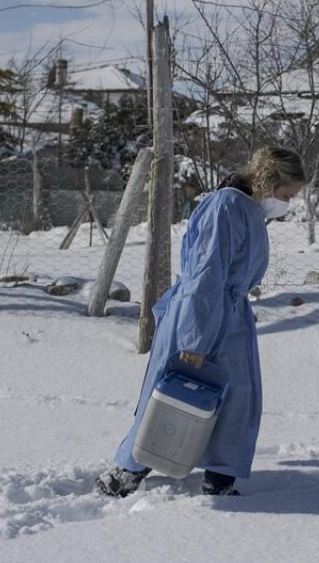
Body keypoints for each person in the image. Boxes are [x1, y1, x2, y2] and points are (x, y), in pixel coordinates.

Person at [97, 147, 306, 497]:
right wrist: (194, 340)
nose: (286, 204)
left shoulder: (249, 210)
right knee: (173, 393)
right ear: (269, 181)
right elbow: (205, 276)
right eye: (286, 195)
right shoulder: (226, 207)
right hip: (203, 315)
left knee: (234, 397)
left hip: (229, 317)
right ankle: (128, 471)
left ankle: (220, 477)